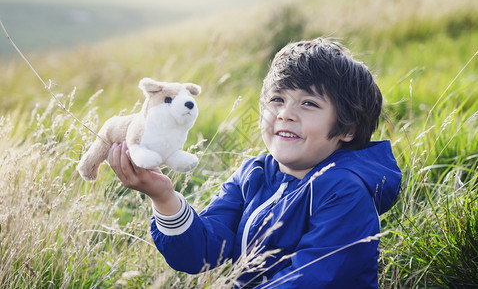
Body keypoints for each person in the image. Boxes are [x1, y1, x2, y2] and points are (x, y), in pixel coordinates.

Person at [107, 37, 402, 288]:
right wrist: (164, 197)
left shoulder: (345, 190)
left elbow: (311, 279)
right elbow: (201, 252)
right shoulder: (254, 174)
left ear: (348, 128)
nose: (286, 113)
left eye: (309, 103)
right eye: (277, 99)